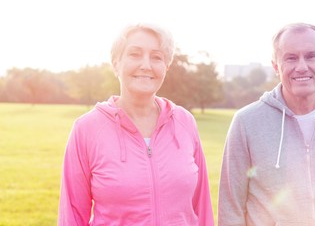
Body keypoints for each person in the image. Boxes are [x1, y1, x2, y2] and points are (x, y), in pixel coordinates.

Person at [58, 23, 214, 225]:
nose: (146, 65)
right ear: (116, 64)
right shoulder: (86, 129)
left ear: (165, 67)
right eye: (135, 54)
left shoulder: (185, 122)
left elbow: (202, 208)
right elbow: (72, 215)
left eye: (156, 57)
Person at [218, 22, 315, 225]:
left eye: (311, 56)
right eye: (291, 58)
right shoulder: (246, 123)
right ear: (276, 66)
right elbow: (231, 209)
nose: (302, 66)